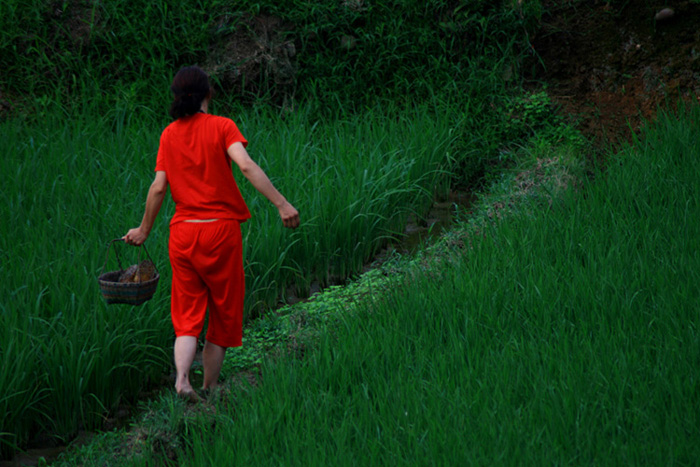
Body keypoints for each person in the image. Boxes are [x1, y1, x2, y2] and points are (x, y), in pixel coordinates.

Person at [123, 65, 299, 401]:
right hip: (220, 233)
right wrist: (282, 204)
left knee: (187, 317)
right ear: (209, 94)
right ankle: (209, 390)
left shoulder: (168, 134)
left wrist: (144, 229)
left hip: (183, 235)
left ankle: (182, 381)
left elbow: (159, 188)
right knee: (222, 312)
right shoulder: (222, 126)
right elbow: (245, 165)